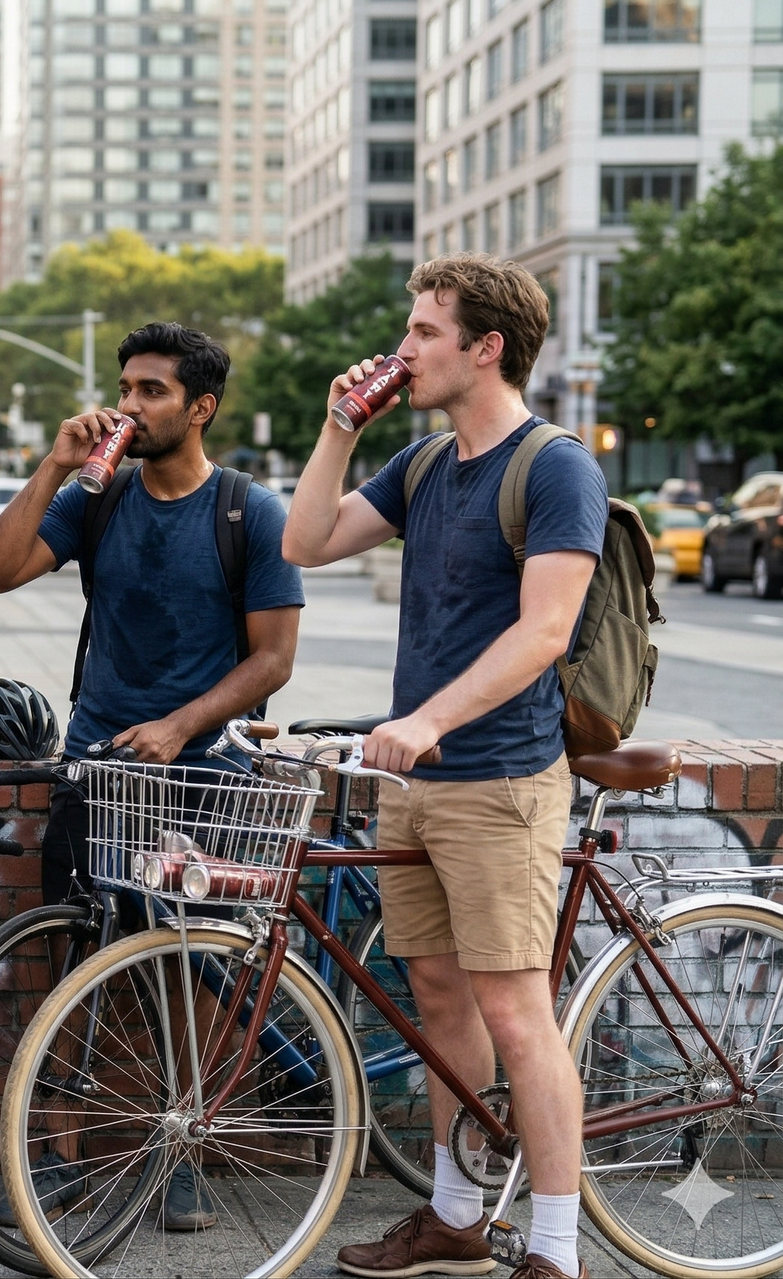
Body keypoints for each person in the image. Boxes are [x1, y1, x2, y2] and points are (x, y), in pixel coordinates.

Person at [283, 253, 609, 1279]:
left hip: (501, 780)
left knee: (514, 1008)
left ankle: (556, 1249)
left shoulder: (553, 465)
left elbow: (545, 631)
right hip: (414, 782)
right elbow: (305, 539)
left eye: (424, 331)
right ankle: (458, 1218)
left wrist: (427, 718)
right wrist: (341, 427)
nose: (403, 348)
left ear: (485, 346)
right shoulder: (424, 464)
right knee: (437, 998)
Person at [0, 320, 304, 1230]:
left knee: (187, 966)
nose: (129, 404)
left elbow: (273, 659)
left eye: (152, 390)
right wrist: (53, 464)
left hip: (202, 774)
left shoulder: (249, 512)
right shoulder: (100, 498)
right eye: (125, 387)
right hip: (95, 766)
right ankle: (57, 1156)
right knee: (75, 951)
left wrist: (181, 725)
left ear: (201, 406)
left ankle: (183, 1150)